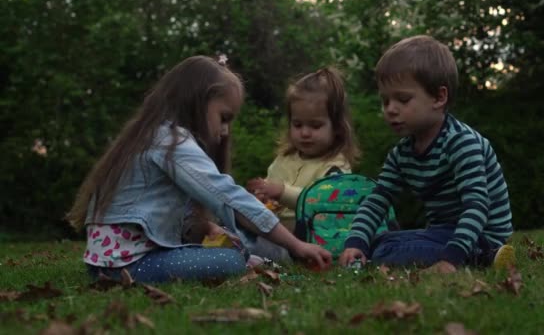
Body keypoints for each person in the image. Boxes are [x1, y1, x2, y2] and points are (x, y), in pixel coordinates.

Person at [67, 55, 332, 284]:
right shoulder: (172, 141)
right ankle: (260, 258)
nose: (225, 130)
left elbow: (159, 208)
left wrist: (205, 226)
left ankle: (258, 256)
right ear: (197, 101)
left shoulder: (154, 136)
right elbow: (229, 197)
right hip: (127, 266)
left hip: (110, 263)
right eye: (224, 117)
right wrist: (296, 244)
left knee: (238, 247)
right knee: (232, 260)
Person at [338, 35, 515, 272]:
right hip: (440, 232)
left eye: (402, 99)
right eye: (385, 100)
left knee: (392, 251)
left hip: (482, 234)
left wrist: (451, 258)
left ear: (439, 97)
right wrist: (355, 242)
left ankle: (482, 256)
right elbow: (377, 200)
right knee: (380, 242)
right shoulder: (401, 154)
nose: (390, 109)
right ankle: (467, 256)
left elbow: (477, 206)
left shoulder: (462, 143)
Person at [246, 67, 360, 261]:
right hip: (276, 234)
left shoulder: (335, 166)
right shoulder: (284, 159)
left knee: (250, 245)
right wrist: (261, 197)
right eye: (298, 125)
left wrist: (282, 192)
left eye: (315, 126)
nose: (305, 133)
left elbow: (325, 202)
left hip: (307, 242)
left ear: (338, 128)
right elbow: (271, 192)